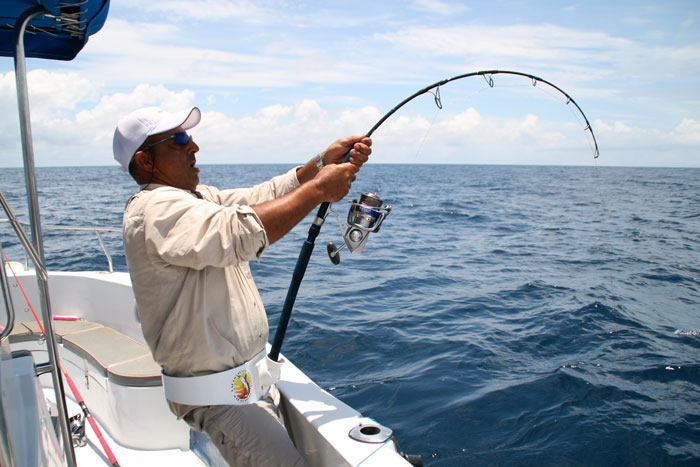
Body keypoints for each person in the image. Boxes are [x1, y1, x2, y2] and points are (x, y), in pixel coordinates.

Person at [113, 106, 371, 466]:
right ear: (145, 162)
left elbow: (261, 196)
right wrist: (319, 190)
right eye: (179, 139)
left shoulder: (197, 199)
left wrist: (318, 163)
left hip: (245, 387)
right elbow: (240, 232)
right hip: (219, 399)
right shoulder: (155, 208)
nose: (194, 146)